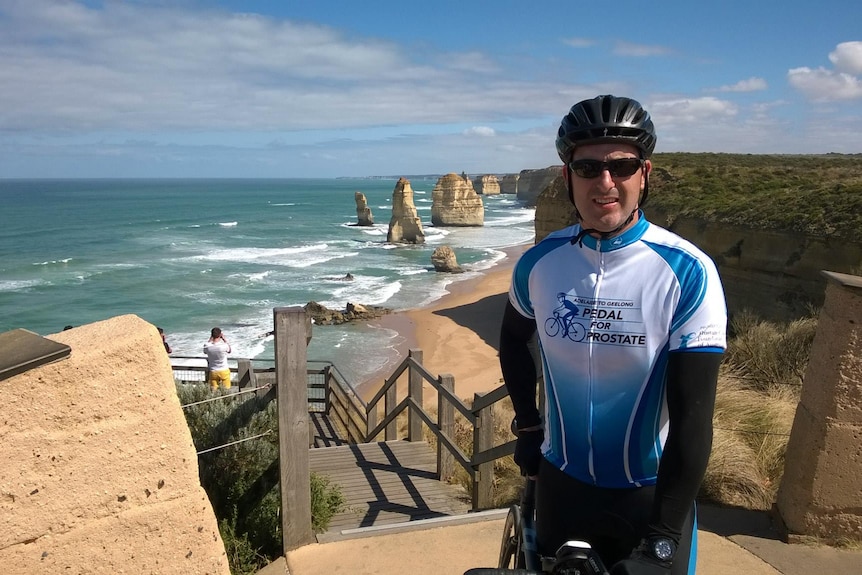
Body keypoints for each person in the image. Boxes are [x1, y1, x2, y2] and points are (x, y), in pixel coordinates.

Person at [499, 95, 727, 575]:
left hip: (649, 497)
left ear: (644, 174)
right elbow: (512, 341)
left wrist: (663, 540)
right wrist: (528, 427)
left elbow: (693, 418)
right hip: (561, 485)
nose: (605, 182)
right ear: (567, 178)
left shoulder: (687, 272)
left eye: (621, 166)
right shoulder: (539, 263)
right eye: (587, 168)